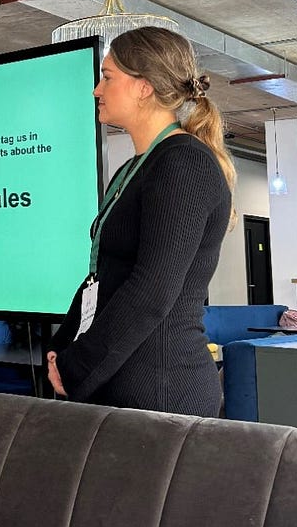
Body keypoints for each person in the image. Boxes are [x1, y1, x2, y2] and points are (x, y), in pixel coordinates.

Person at [47, 26, 235, 417]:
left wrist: (77, 365)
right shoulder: (136, 167)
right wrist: (63, 349)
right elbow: (106, 277)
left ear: (143, 87)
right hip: (119, 381)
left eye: (108, 76)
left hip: (160, 390)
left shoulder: (184, 163)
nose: (97, 89)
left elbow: (152, 289)